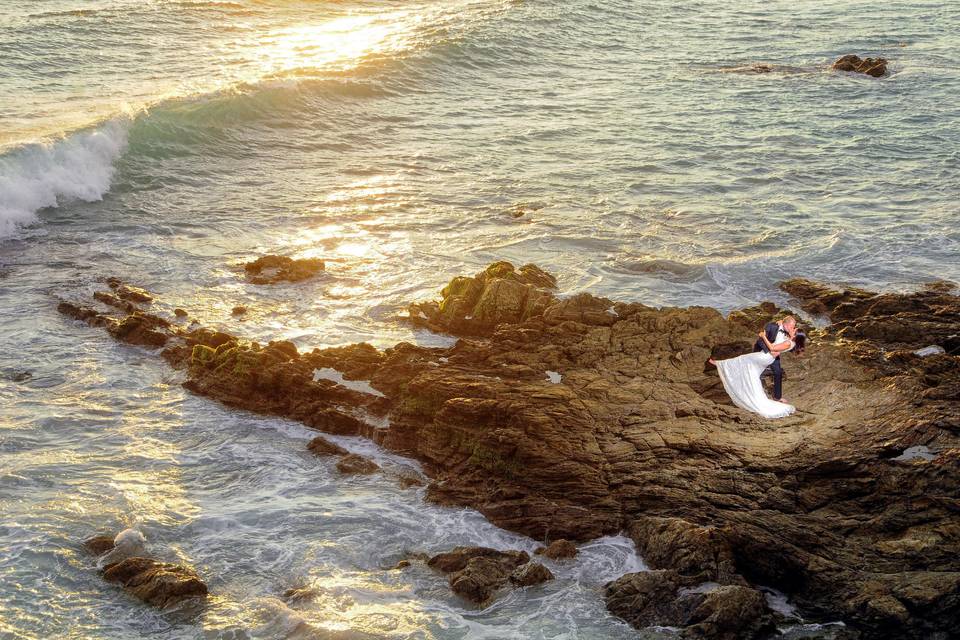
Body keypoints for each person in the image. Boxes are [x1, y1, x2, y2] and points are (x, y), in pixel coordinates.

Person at [707, 319, 807, 419]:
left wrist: (763, 336)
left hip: (765, 356)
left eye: (794, 329)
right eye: (793, 327)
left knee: (742, 360)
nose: (793, 329)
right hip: (766, 356)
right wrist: (780, 322)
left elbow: (772, 348)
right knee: (751, 372)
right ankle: (749, 390)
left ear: (795, 336)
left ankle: (719, 364)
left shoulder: (789, 343)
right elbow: (781, 330)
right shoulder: (789, 339)